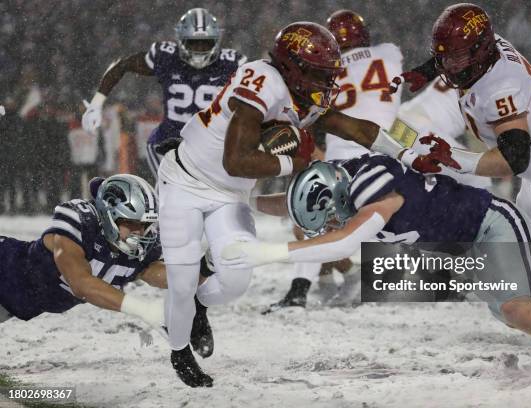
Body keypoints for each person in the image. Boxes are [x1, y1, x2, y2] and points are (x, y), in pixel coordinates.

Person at [156, 21, 452, 387]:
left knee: (234, 281)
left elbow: (360, 129)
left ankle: (199, 303)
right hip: (184, 182)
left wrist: (410, 149)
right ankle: (179, 349)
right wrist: (294, 163)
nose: (327, 83)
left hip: (230, 195)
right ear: (293, 67)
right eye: (319, 74)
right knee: (181, 284)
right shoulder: (262, 81)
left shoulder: (306, 92)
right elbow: (236, 159)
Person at [220, 153, 531, 391]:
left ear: (340, 197)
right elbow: (294, 208)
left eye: (330, 217)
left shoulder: (371, 192)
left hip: (489, 225)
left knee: (518, 308)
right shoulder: (340, 182)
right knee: (519, 313)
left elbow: (343, 243)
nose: (330, 224)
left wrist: (264, 252)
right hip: (461, 244)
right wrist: (236, 197)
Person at [388, 3, 531, 356]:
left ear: (480, 51)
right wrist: (423, 71)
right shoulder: (486, 50)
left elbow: (512, 160)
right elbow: (454, 56)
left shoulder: (499, 87)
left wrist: (456, 159)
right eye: (443, 58)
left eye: (458, 58)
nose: (449, 67)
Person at [0, 175, 214, 385]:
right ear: (109, 214)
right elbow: (81, 283)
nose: (139, 232)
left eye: (144, 224)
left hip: (15, 303)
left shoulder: (134, 248)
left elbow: (172, 278)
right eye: (131, 223)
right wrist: (145, 309)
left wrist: (208, 264)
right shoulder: (81, 221)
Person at [266, 9, 405, 312]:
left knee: (307, 217)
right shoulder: (389, 53)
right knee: (332, 225)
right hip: (387, 157)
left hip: (345, 159)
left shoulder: (324, 68)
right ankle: (341, 277)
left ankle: (300, 290)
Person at [81, 8, 246, 180]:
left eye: (205, 43)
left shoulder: (232, 63)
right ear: (181, 41)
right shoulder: (166, 57)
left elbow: (263, 88)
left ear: (216, 42)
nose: (199, 49)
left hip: (212, 149)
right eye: (193, 42)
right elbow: (122, 65)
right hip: (168, 147)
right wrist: (96, 104)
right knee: (178, 201)